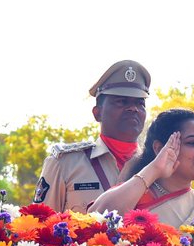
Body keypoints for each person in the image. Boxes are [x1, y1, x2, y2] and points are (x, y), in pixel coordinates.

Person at [92, 108, 194, 238]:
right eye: (192, 143)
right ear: (159, 148)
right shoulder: (134, 196)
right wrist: (155, 169)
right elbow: (94, 220)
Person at [33, 60, 151, 212]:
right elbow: (40, 223)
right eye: (121, 102)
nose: (133, 109)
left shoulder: (155, 166)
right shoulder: (65, 163)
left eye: (140, 103)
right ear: (97, 113)